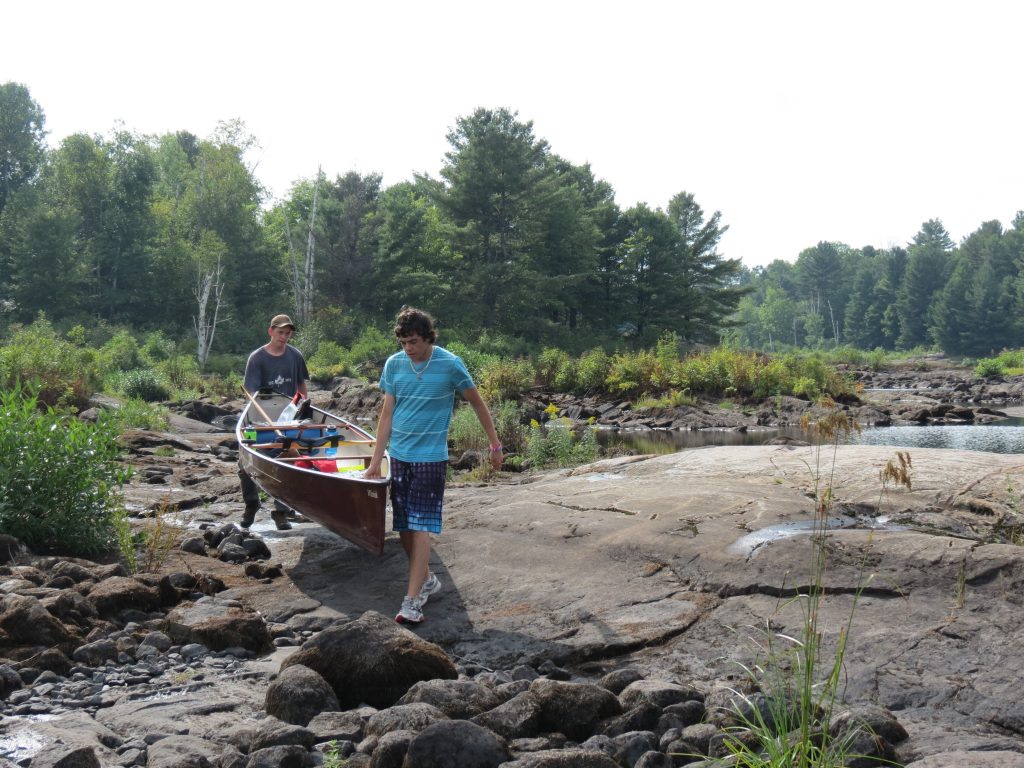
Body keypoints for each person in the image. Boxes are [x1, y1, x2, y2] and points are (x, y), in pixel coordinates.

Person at [365, 307, 502, 625]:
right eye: (403, 342)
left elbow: (477, 403)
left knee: (421, 525)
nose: (408, 348)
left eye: (413, 341)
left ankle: (412, 601)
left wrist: (494, 445)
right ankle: (426, 579)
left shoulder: (450, 364)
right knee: (404, 527)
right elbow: (386, 416)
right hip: (399, 455)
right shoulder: (394, 364)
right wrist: (376, 461)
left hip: (431, 457)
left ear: (427, 337)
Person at [239, 313, 310, 531]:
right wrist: (257, 416)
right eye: (280, 332)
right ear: (271, 332)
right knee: (245, 463)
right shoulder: (257, 358)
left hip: (287, 416)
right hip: (260, 414)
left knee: (287, 459)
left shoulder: (295, 356)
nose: (284, 337)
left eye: (288, 333)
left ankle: (281, 512)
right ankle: (251, 504)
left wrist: (304, 408)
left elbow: (301, 386)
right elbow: (251, 393)